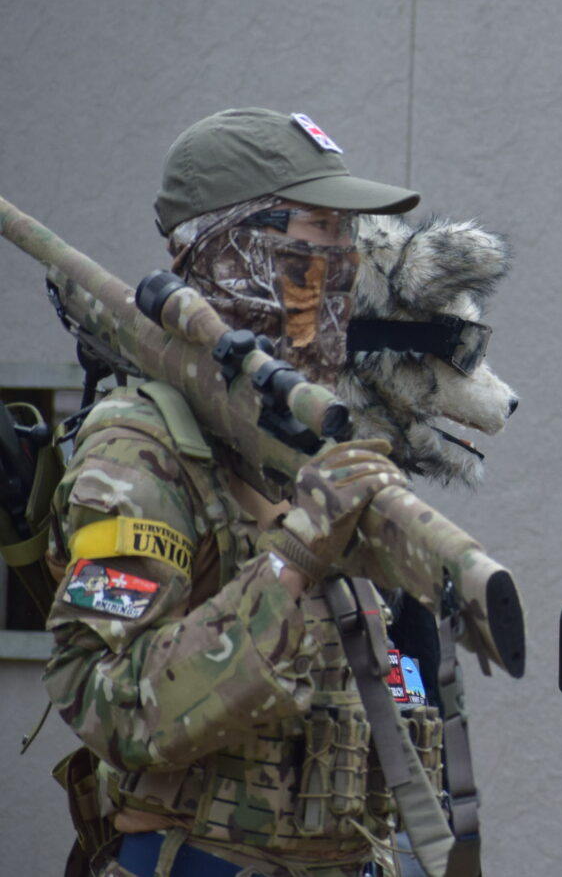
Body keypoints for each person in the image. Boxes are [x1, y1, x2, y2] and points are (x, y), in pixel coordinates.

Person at [43, 108, 444, 877]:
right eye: (320, 229)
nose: (344, 258)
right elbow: (107, 704)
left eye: (348, 234)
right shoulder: (142, 446)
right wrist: (294, 559)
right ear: (234, 249)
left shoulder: (297, 439)